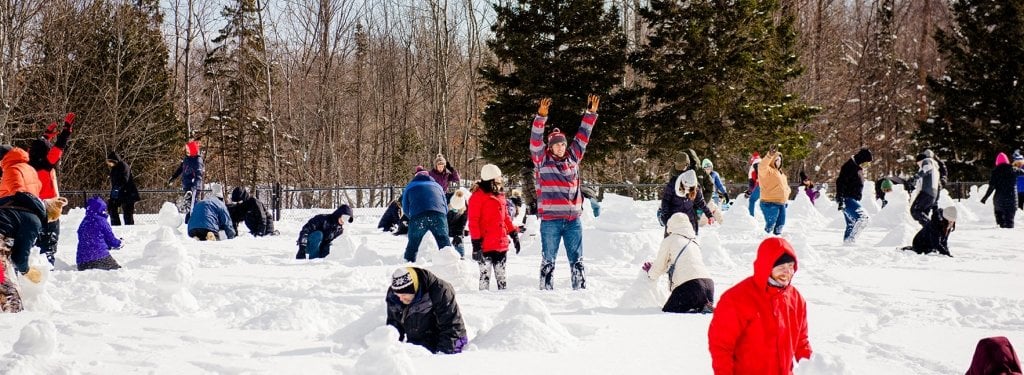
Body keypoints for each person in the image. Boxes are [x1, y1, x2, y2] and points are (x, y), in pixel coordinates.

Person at [708, 237, 812, 374]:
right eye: (781, 267)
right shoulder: (737, 299)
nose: (787, 272)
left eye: (790, 267)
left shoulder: (795, 299)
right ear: (767, 267)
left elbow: (801, 342)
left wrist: (814, 368)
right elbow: (721, 347)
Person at [530, 95, 599, 290]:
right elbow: (535, 141)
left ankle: (580, 289)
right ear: (550, 146)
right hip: (551, 220)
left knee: (577, 259)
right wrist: (540, 118)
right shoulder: (542, 161)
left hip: (572, 220)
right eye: (557, 144)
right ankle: (546, 289)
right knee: (548, 258)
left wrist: (590, 114)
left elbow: (583, 136)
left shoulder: (573, 158)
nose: (561, 147)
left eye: (563, 144)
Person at [0, 145, 66, 312]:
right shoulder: (34, 220)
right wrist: (27, 271)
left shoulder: (21, 203)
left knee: (3, 272)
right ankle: (13, 315)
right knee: (3, 280)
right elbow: (20, 256)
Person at [642, 213, 714, 313]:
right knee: (695, 305)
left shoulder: (670, 240)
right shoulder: (694, 242)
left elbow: (660, 265)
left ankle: (699, 307)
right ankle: (704, 305)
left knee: (669, 310)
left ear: (671, 225)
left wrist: (650, 273)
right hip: (709, 286)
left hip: (690, 285)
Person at [385, 267, 468, 354]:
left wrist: (442, 358)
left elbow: (453, 328)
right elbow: (394, 326)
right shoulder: (394, 296)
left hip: (444, 344)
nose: (401, 299)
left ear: (415, 289)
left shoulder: (440, 291)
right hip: (417, 347)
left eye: (404, 294)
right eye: (398, 295)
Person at [28, 113, 74, 265]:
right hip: (50, 206)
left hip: (32, 204)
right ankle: (48, 263)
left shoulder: (28, 163)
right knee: (50, 238)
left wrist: (46, 136)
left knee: (35, 237)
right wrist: (67, 129)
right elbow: (59, 147)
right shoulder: (47, 163)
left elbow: (37, 148)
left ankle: (34, 262)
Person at [468, 164, 517, 290]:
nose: (501, 180)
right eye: (498, 178)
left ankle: (504, 301)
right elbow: (473, 222)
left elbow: (506, 217)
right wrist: (476, 244)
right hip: (485, 245)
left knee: (501, 277)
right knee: (485, 276)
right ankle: (484, 303)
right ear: (491, 179)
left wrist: (514, 234)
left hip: (501, 243)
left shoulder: (500, 195)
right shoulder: (477, 197)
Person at [402, 170, 452, 262]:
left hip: (418, 215)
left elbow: (405, 208)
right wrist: (442, 217)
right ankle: (450, 264)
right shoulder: (437, 186)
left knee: (413, 243)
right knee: (444, 241)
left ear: (415, 177)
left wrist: (412, 218)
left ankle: (408, 264)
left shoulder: (409, 186)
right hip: (438, 214)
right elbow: (445, 205)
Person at [836, 148, 873, 244]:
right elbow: (840, 182)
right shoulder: (849, 166)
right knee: (863, 218)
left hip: (851, 198)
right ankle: (850, 241)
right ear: (862, 158)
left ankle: (847, 246)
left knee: (851, 224)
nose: (867, 164)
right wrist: (840, 198)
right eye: (866, 162)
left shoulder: (856, 167)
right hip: (846, 198)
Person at [661, 170, 713, 237]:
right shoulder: (673, 184)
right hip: (674, 217)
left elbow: (701, 202)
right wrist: (666, 217)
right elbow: (666, 201)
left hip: (689, 218)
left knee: (690, 241)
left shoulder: (696, 188)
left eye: (690, 188)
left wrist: (709, 215)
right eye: (685, 186)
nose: (687, 189)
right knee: (671, 241)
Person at [76, 197, 123, 271]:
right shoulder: (101, 220)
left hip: (82, 262)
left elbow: (88, 239)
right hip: (99, 258)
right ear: (102, 209)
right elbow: (111, 240)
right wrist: (120, 243)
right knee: (118, 271)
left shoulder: (84, 222)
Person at [980, 152, 1022, 228]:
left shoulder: (995, 172)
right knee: (1010, 222)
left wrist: (985, 198)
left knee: (1000, 224)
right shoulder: (1013, 170)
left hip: (999, 201)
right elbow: (1022, 172)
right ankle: (1009, 237)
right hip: (1011, 200)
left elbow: (991, 187)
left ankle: (1000, 234)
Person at [168, 139, 205, 218]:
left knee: (194, 207)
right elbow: (180, 169)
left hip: (194, 189)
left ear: (193, 150)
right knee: (189, 208)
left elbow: (199, 176)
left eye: (188, 149)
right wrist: (173, 177)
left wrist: (194, 187)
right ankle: (191, 220)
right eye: (186, 149)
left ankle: (197, 221)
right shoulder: (187, 159)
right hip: (187, 186)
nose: (187, 151)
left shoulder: (197, 160)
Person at [758, 150, 791, 236]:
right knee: (771, 222)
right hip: (769, 202)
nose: (778, 162)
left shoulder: (781, 174)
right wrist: (769, 156)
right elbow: (762, 166)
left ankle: (777, 239)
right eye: (776, 160)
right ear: (772, 160)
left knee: (781, 223)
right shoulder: (767, 171)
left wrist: (786, 198)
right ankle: (766, 238)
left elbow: (785, 187)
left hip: (781, 202)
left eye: (780, 160)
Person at [658, 151, 692, 226]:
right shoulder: (673, 171)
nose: (680, 168)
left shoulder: (690, 172)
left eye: (682, 166)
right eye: (678, 165)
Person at [106, 151, 139, 226]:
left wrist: (116, 189)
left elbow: (124, 180)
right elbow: (114, 183)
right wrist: (113, 195)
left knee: (127, 213)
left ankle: (129, 228)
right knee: (111, 207)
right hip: (119, 193)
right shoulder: (114, 169)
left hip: (128, 193)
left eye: (110, 162)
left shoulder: (123, 166)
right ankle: (116, 225)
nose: (110, 164)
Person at [909, 151, 941, 227]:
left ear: (919, 161)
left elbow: (927, 169)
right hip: (932, 195)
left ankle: (932, 228)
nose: (918, 166)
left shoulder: (927, 161)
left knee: (915, 210)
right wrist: (935, 202)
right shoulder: (936, 170)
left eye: (918, 163)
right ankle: (928, 232)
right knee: (923, 214)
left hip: (926, 192)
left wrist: (915, 177)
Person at [446, 190, 468, 258]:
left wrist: (459, 234)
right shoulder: (445, 199)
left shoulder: (465, 206)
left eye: (457, 210)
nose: (455, 211)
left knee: (459, 239)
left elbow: (462, 222)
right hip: (444, 224)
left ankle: (461, 257)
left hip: (456, 225)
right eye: (453, 209)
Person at [518, 159, 538, 226]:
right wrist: (536, 197)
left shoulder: (523, 174)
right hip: (531, 197)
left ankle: (525, 224)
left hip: (527, 197)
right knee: (533, 213)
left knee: (529, 211)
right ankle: (529, 226)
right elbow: (532, 187)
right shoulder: (530, 175)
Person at [745, 152, 762, 217]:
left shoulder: (756, 163)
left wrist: (749, 191)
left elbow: (753, 181)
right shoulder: (761, 163)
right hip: (764, 185)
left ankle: (751, 217)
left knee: (752, 200)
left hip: (760, 185)